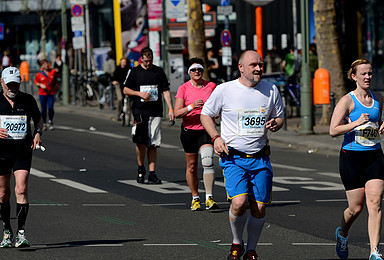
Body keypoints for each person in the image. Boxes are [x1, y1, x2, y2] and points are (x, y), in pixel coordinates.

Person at [200, 50, 284, 259]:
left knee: (260, 207)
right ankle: (237, 242)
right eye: (254, 65)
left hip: (260, 157)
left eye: (260, 64)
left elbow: (280, 117)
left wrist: (276, 123)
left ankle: (252, 250)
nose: (258, 68)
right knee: (239, 203)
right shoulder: (225, 90)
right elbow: (205, 114)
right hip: (234, 158)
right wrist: (216, 138)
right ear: (241, 68)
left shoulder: (271, 89)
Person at [329, 58, 384, 260]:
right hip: (351, 157)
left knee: (375, 201)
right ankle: (342, 234)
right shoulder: (347, 101)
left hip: (374, 155)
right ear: (354, 76)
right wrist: (357, 122)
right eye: (363, 74)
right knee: (356, 208)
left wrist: (382, 124)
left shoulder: (378, 98)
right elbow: (333, 130)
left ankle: (374, 251)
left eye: (370, 73)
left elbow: (377, 120)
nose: (368, 77)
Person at [0, 67, 43, 248]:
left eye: (16, 84)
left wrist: (38, 133)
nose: (12, 87)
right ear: (2, 82)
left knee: (21, 189)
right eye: (9, 84)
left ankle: (21, 233)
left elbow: (39, 119)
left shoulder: (27, 100)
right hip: (1, 152)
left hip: (22, 150)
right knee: (3, 194)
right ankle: (7, 231)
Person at [123, 47, 174, 184]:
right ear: (141, 59)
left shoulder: (158, 72)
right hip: (140, 111)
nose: (148, 63)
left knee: (153, 143)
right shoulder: (135, 72)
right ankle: (141, 168)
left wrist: (170, 109)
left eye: (150, 61)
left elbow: (165, 90)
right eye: (146, 61)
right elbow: (126, 89)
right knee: (140, 141)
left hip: (155, 111)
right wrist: (139, 94)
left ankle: (152, 172)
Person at [174, 57, 219, 211]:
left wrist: (216, 112)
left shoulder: (211, 86)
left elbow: (220, 104)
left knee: (207, 160)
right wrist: (191, 106)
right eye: (193, 70)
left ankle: (209, 197)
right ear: (189, 72)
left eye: (199, 69)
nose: (197, 72)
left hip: (205, 129)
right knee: (192, 166)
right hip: (188, 131)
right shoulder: (183, 88)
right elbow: (177, 113)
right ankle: (195, 197)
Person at [34, 59, 56, 130]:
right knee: (43, 109)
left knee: (50, 108)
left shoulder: (53, 72)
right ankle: (44, 123)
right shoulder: (39, 74)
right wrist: (40, 85)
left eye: (47, 63)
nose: (46, 65)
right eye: (44, 64)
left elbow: (55, 81)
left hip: (51, 93)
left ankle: (50, 121)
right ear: (42, 66)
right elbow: (36, 82)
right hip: (42, 93)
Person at [112, 57, 132, 122]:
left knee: (129, 99)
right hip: (119, 86)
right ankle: (118, 113)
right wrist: (114, 81)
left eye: (124, 62)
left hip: (127, 86)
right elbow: (114, 77)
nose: (123, 63)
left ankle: (129, 113)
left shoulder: (129, 69)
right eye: (122, 62)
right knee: (120, 99)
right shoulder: (118, 69)